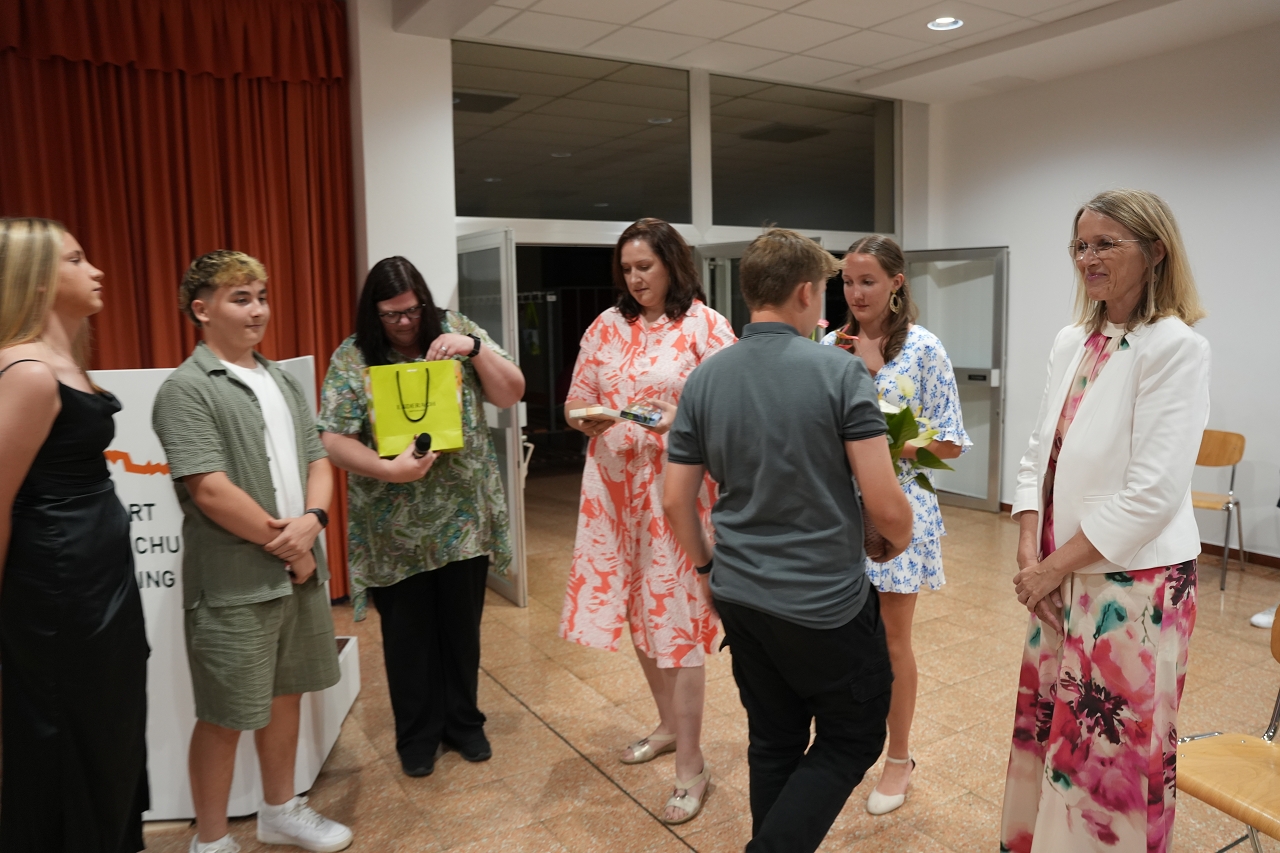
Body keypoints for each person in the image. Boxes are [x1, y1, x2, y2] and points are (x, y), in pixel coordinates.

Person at [664, 228, 914, 853]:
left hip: (739, 594)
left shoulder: (705, 378)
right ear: (806, 292)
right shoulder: (839, 371)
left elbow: (675, 499)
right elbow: (886, 506)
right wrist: (899, 536)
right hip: (823, 602)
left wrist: (705, 570)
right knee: (854, 735)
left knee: (774, 739)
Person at [1000, 189, 1209, 853]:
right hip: (1059, 571)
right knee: (1054, 733)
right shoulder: (1073, 340)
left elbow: (1153, 494)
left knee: (1110, 753)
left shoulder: (1175, 346)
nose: (1087, 257)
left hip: (1133, 584)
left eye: (1105, 244)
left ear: (1155, 251)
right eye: (1080, 245)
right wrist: (1030, 548)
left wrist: (1050, 568)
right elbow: (1039, 451)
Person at [152, 251, 351, 853]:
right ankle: (210, 841)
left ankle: (279, 810)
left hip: (297, 571)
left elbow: (319, 460)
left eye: (261, 296)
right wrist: (292, 547)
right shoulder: (185, 389)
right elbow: (210, 490)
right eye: (241, 299)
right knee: (225, 713)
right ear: (201, 309)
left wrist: (314, 522)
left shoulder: (282, 380)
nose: (258, 310)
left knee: (287, 694)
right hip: (234, 583)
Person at [318, 256, 524, 777]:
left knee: (461, 630)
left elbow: (511, 392)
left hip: (463, 519)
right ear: (375, 313)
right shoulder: (354, 355)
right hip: (393, 529)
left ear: (425, 303)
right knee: (407, 637)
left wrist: (473, 348)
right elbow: (334, 439)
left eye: (412, 310)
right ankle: (417, 734)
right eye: (392, 315)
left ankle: (464, 723)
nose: (405, 323)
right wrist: (388, 470)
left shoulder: (456, 330)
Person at [559, 218, 734, 825]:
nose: (634, 279)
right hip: (613, 494)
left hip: (675, 495)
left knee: (677, 622)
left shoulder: (706, 327)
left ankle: (692, 765)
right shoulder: (606, 326)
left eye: (645, 267)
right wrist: (584, 417)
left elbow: (729, 410)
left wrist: (675, 420)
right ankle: (666, 725)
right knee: (638, 612)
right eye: (627, 269)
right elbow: (576, 397)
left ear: (672, 265)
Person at [0, 218, 150, 852]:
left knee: (107, 724)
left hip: (93, 581)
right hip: (58, 593)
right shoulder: (28, 372)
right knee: (72, 729)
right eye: (76, 259)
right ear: (36, 278)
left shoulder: (59, 363)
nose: (96, 270)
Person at [820, 235, 969, 815]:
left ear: (896, 283)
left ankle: (899, 759)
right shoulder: (830, 346)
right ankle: (842, 746)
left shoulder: (924, 349)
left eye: (868, 282)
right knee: (837, 636)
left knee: (891, 640)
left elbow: (949, 443)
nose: (856, 293)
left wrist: (882, 431)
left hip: (900, 509)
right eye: (847, 282)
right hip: (838, 510)